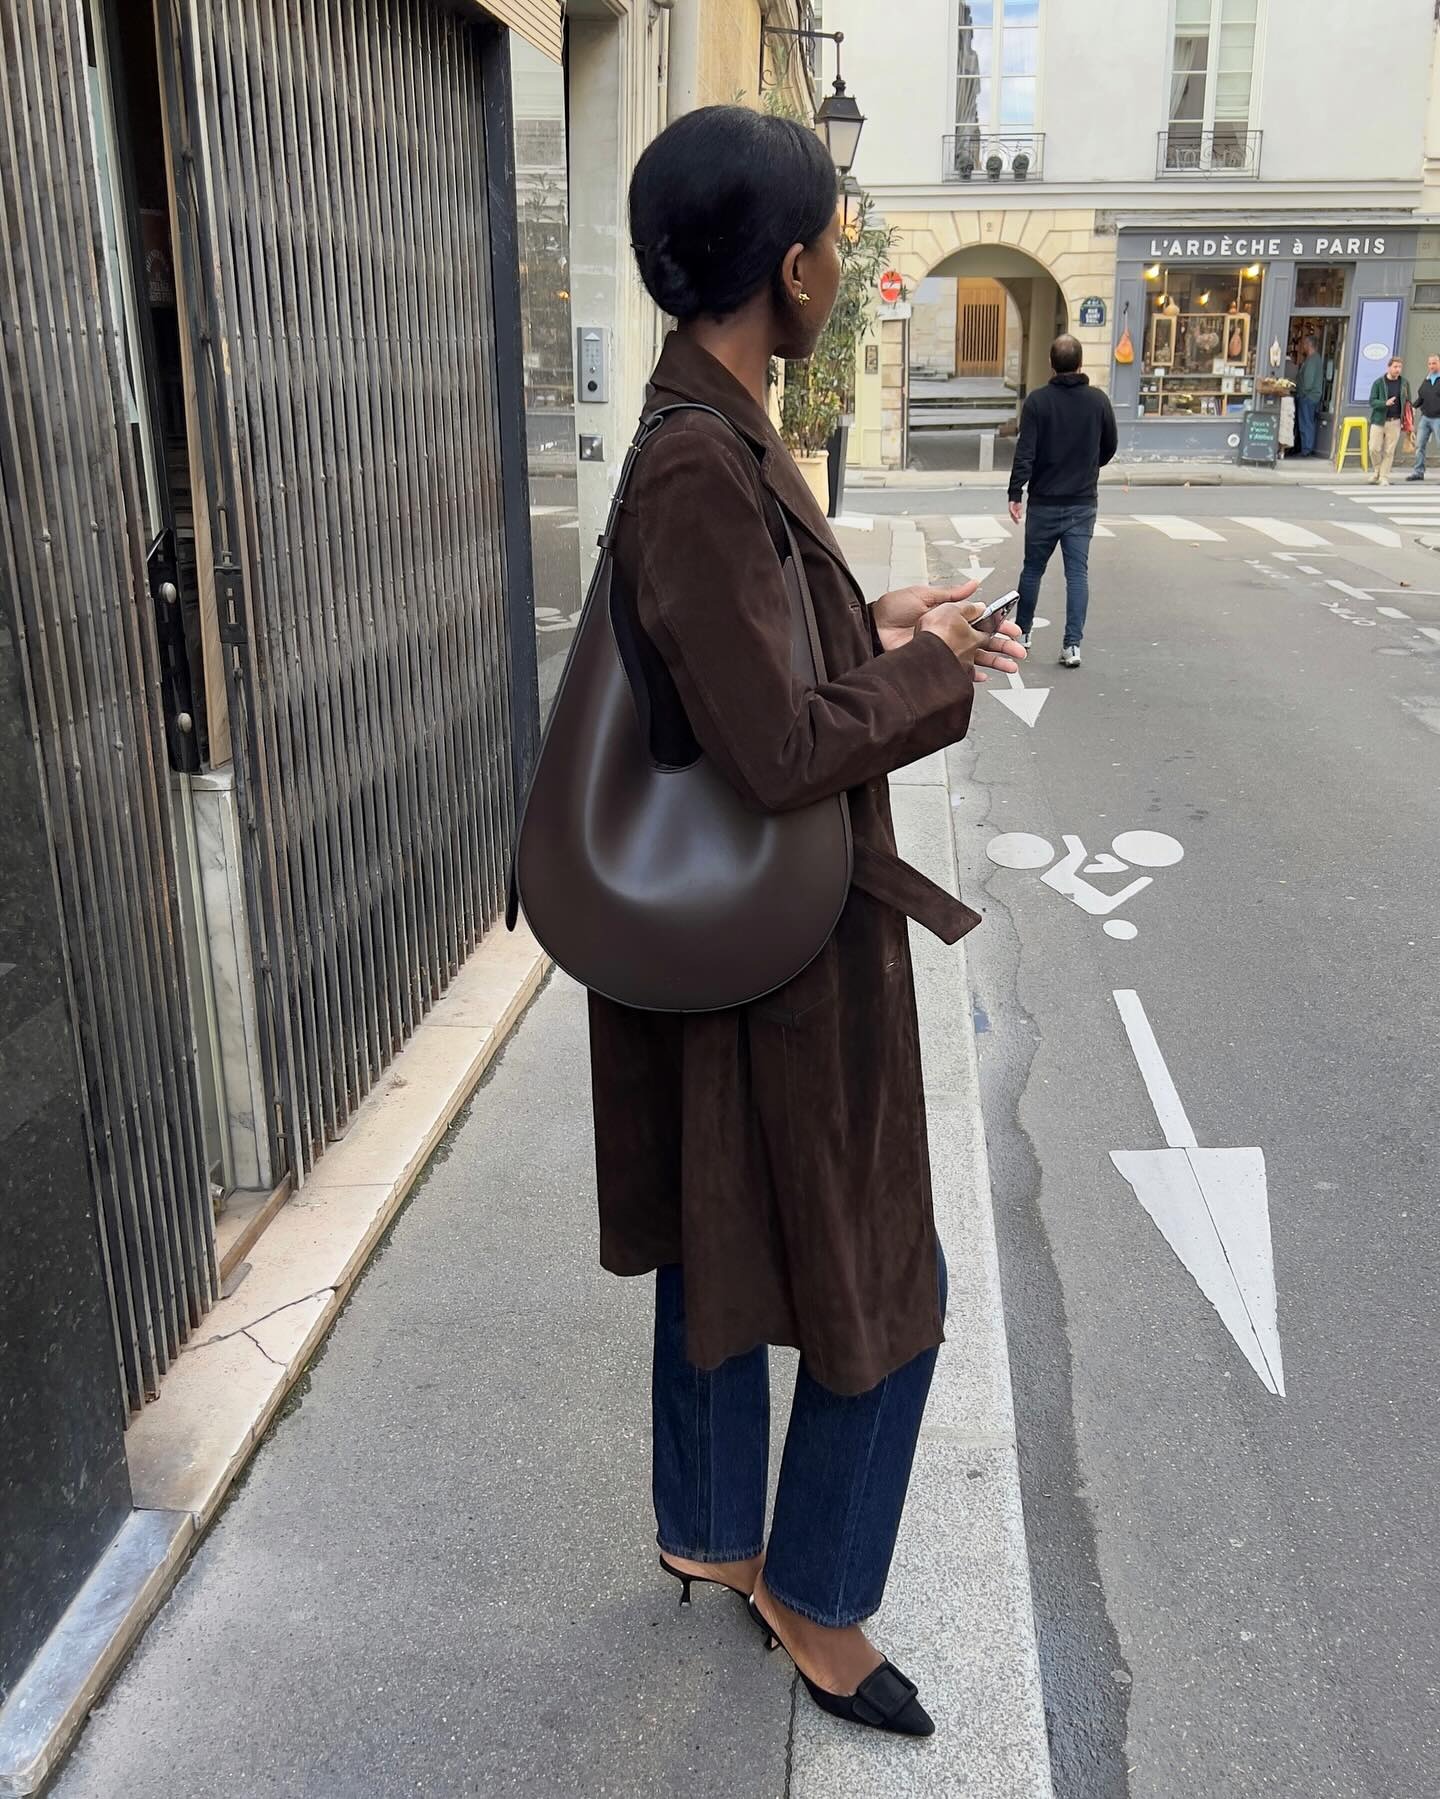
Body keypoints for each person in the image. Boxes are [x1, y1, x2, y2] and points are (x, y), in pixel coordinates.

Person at [590, 106, 1025, 1740]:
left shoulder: (713, 422)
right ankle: (819, 1594)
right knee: (872, 1273)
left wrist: (879, 615)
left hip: (738, 939)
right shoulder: (703, 458)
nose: (845, 262)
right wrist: (928, 677)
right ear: (789, 267)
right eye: (837, 238)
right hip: (777, 953)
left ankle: (712, 1524)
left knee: (726, 1227)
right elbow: (772, 747)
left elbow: (749, 662)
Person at [1008, 334, 1118, 669]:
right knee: (1077, 575)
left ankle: (1022, 633)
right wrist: (1087, 466)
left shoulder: (1038, 402)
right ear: (1080, 363)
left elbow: (1025, 451)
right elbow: (1109, 445)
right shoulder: (1098, 401)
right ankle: (1072, 645)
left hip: (1043, 502)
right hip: (1082, 502)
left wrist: (1016, 493)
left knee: (1032, 570)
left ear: (1052, 364)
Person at [1368, 355, 1411, 485]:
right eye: (1395, 367)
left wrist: (1410, 413)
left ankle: (1383, 476)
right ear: (1389, 367)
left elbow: (1408, 400)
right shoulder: (1379, 383)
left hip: (1395, 421)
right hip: (1379, 420)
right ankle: (1377, 470)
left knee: (1389, 451)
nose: (1398, 370)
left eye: (1399, 367)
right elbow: (1372, 401)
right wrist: (1384, 403)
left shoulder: (1404, 383)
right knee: (1373, 448)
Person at [1405, 352, 1440, 480]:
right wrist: (1413, 407)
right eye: (1430, 363)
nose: (1431, 366)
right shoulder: (1427, 379)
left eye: (1434, 363)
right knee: (1420, 445)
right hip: (1425, 418)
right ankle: (1418, 472)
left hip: (1438, 419)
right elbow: (1422, 397)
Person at [1295, 335, 1325, 458]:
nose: (1303, 347)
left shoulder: (1312, 360)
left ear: (1309, 345)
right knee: (1308, 422)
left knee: (1305, 423)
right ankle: (1306, 448)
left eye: (1304, 344)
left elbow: (1308, 382)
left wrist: (1301, 392)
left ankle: (1306, 449)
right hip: (1312, 396)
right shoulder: (1315, 359)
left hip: (1308, 397)